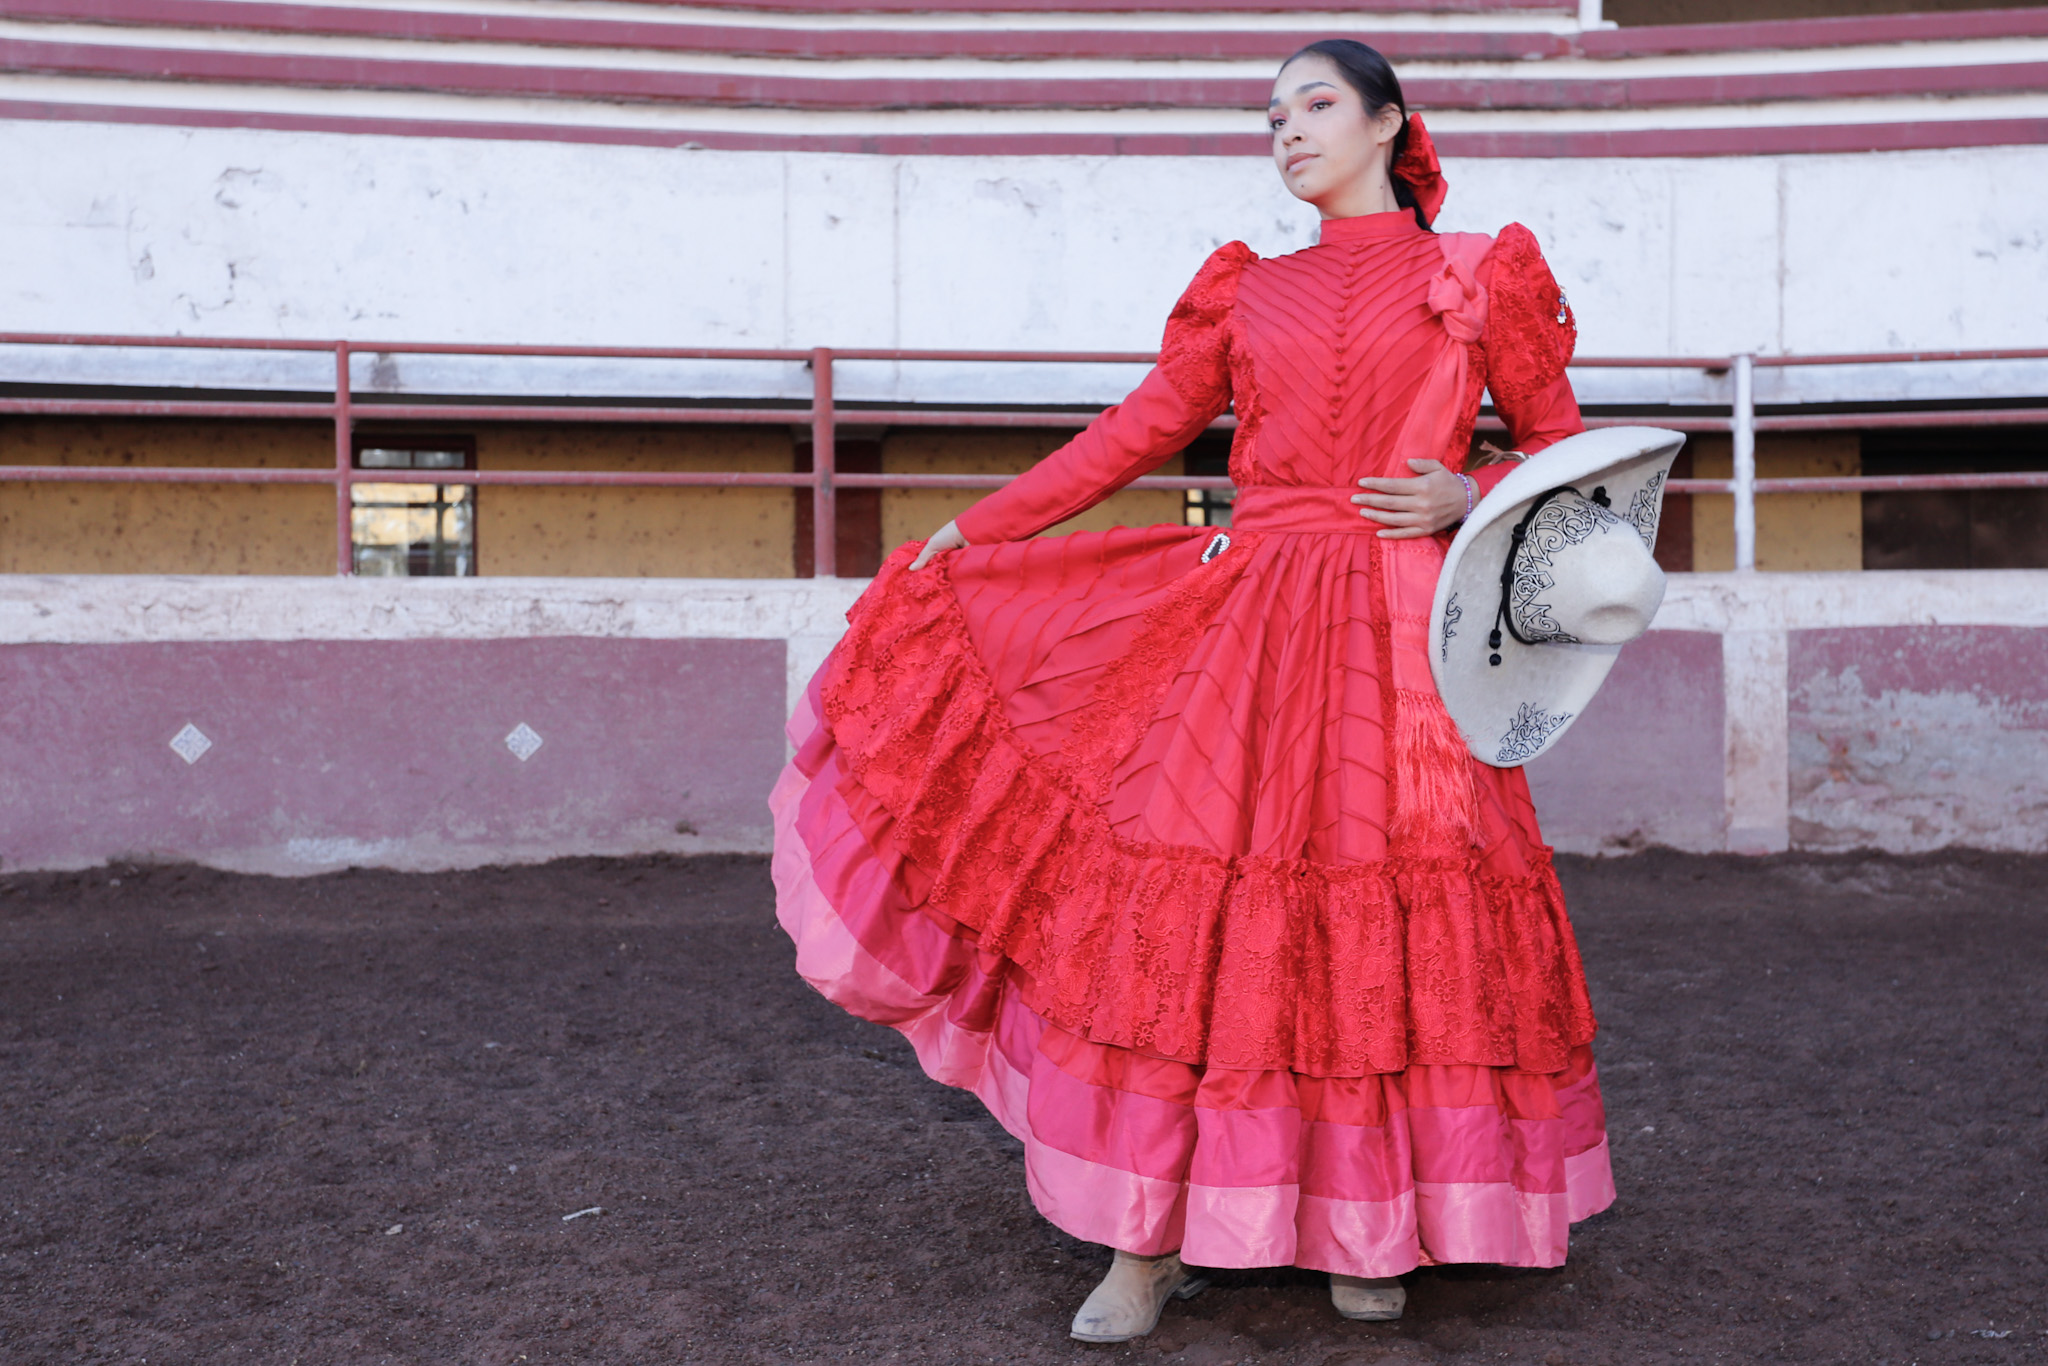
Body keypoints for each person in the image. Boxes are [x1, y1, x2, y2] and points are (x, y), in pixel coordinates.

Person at [769, 38, 1612, 1344]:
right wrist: (976, 532)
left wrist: (1474, 491)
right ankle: (1144, 1239)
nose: (1285, 132)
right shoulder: (1244, 294)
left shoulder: (1478, 271)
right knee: (1189, 909)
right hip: (1249, 626)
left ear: (1392, 124)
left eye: (1315, 106)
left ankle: (1367, 1222)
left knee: (1394, 902)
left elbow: (1574, 453)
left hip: (1405, 632)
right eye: (1269, 115)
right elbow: (1130, 435)